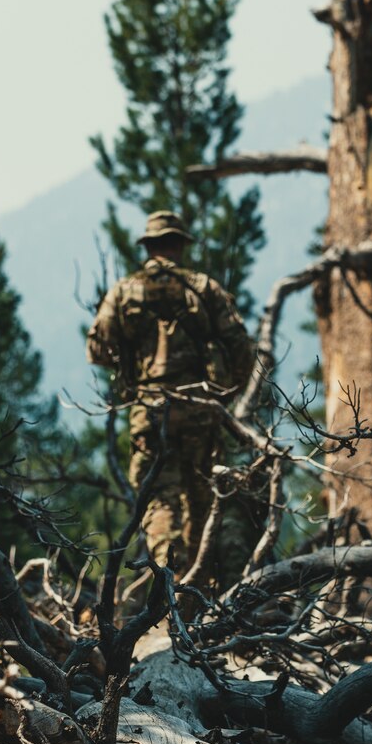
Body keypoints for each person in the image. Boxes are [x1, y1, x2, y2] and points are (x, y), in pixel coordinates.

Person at [87, 210, 254, 574]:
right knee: (202, 500)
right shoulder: (203, 287)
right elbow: (242, 347)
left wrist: (133, 360)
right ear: (180, 245)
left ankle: (169, 586)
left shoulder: (123, 291)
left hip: (150, 408)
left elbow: (97, 350)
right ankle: (198, 591)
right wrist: (227, 394)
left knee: (159, 502)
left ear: (148, 246)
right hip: (200, 406)